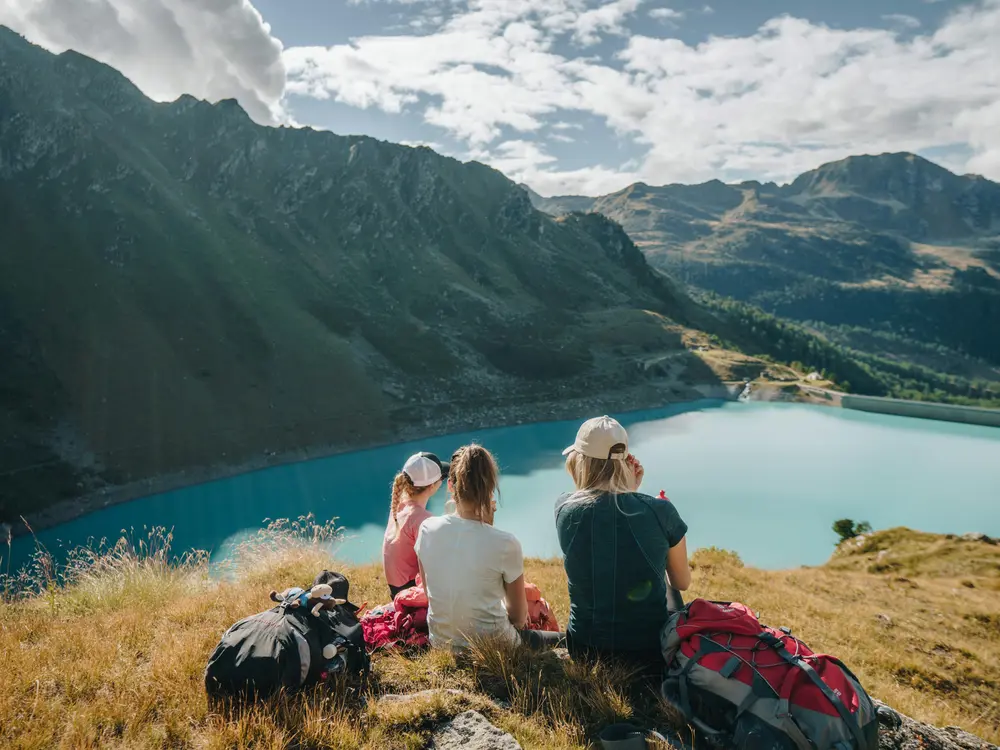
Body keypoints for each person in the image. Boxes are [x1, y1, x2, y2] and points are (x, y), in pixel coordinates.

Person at [556, 415, 690, 671]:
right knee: (665, 578)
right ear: (625, 462)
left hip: (585, 649)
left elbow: (603, 513)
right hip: (648, 654)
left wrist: (626, 491)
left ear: (580, 461)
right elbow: (681, 582)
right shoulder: (661, 511)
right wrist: (633, 491)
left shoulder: (563, 507)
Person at [415, 444, 564, 651]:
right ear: (490, 487)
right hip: (494, 646)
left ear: (450, 485)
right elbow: (519, 619)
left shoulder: (426, 529)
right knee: (565, 641)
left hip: (441, 642)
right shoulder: (505, 543)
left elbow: (428, 589)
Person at [382, 452, 449, 597]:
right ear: (432, 485)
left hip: (397, 590)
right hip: (410, 594)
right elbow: (434, 568)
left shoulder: (400, 506)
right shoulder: (423, 520)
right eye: (442, 478)